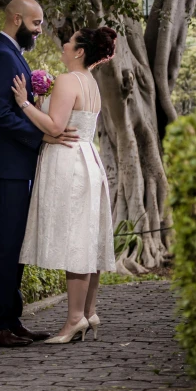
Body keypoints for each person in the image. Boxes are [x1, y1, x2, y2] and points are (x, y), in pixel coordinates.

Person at [0, 0, 79, 347]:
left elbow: (17, 110)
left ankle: (10, 319)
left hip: (17, 165)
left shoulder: (14, 55)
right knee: (4, 244)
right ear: (17, 18)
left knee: (15, 245)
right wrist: (44, 136)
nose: (39, 30)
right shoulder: (1, 57)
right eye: (36, 24)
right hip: (5, 166)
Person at [13, 26, 118, 344]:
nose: (63, 46)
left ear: (80, 51)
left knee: (75, 239)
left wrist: (25, 103)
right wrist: (44, 103)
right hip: (89, 158)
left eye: (68, 43)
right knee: (88, 237)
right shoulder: (90, 82)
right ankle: (88, 311)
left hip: (68, 163)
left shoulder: (68, 80)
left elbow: (56, 127)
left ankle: (73, 320)